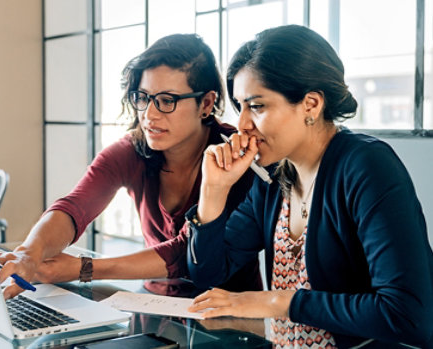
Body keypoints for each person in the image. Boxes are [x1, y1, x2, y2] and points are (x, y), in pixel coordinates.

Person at [185, 25, 433, 348]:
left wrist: (279, 302)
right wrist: (213, 192)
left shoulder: (367, 167)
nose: (242, 124)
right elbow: (208, 274)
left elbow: (409, 316)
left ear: (311, 105)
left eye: (257, 106)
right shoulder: (274, 178)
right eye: (239, 106)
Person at [0, 33, 263, 299]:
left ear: (205, 103)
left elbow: (185, 253)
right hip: (153, 305)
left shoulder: (235, 157)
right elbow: (74, 207)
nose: (150, 114)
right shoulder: (133, 150)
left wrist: (85, 268)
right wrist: (29, 253)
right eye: (143, 97)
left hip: (228, 317)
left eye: (167, 101)